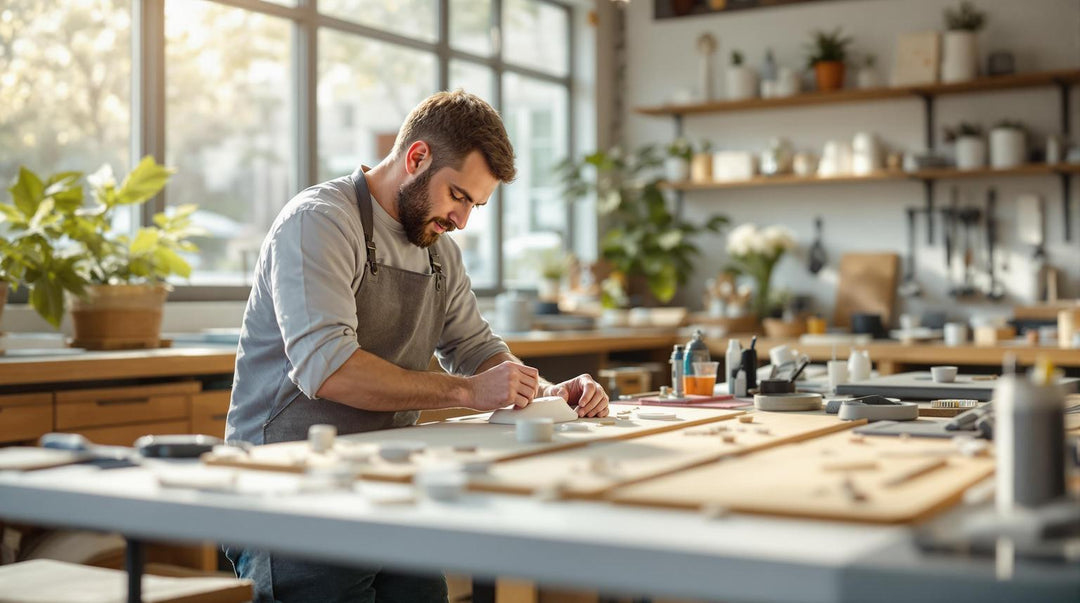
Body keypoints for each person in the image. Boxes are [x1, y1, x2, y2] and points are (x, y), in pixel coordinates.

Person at [224, 89, 609, 602]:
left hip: (386, 486)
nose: (462, 220)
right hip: (290, 489)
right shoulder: (318, 221)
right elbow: (328, 369)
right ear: (417, 157)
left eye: (474, 204)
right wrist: (467, 393)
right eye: (458, 196)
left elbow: (476, 347)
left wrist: (542, 394)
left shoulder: (437, 251)